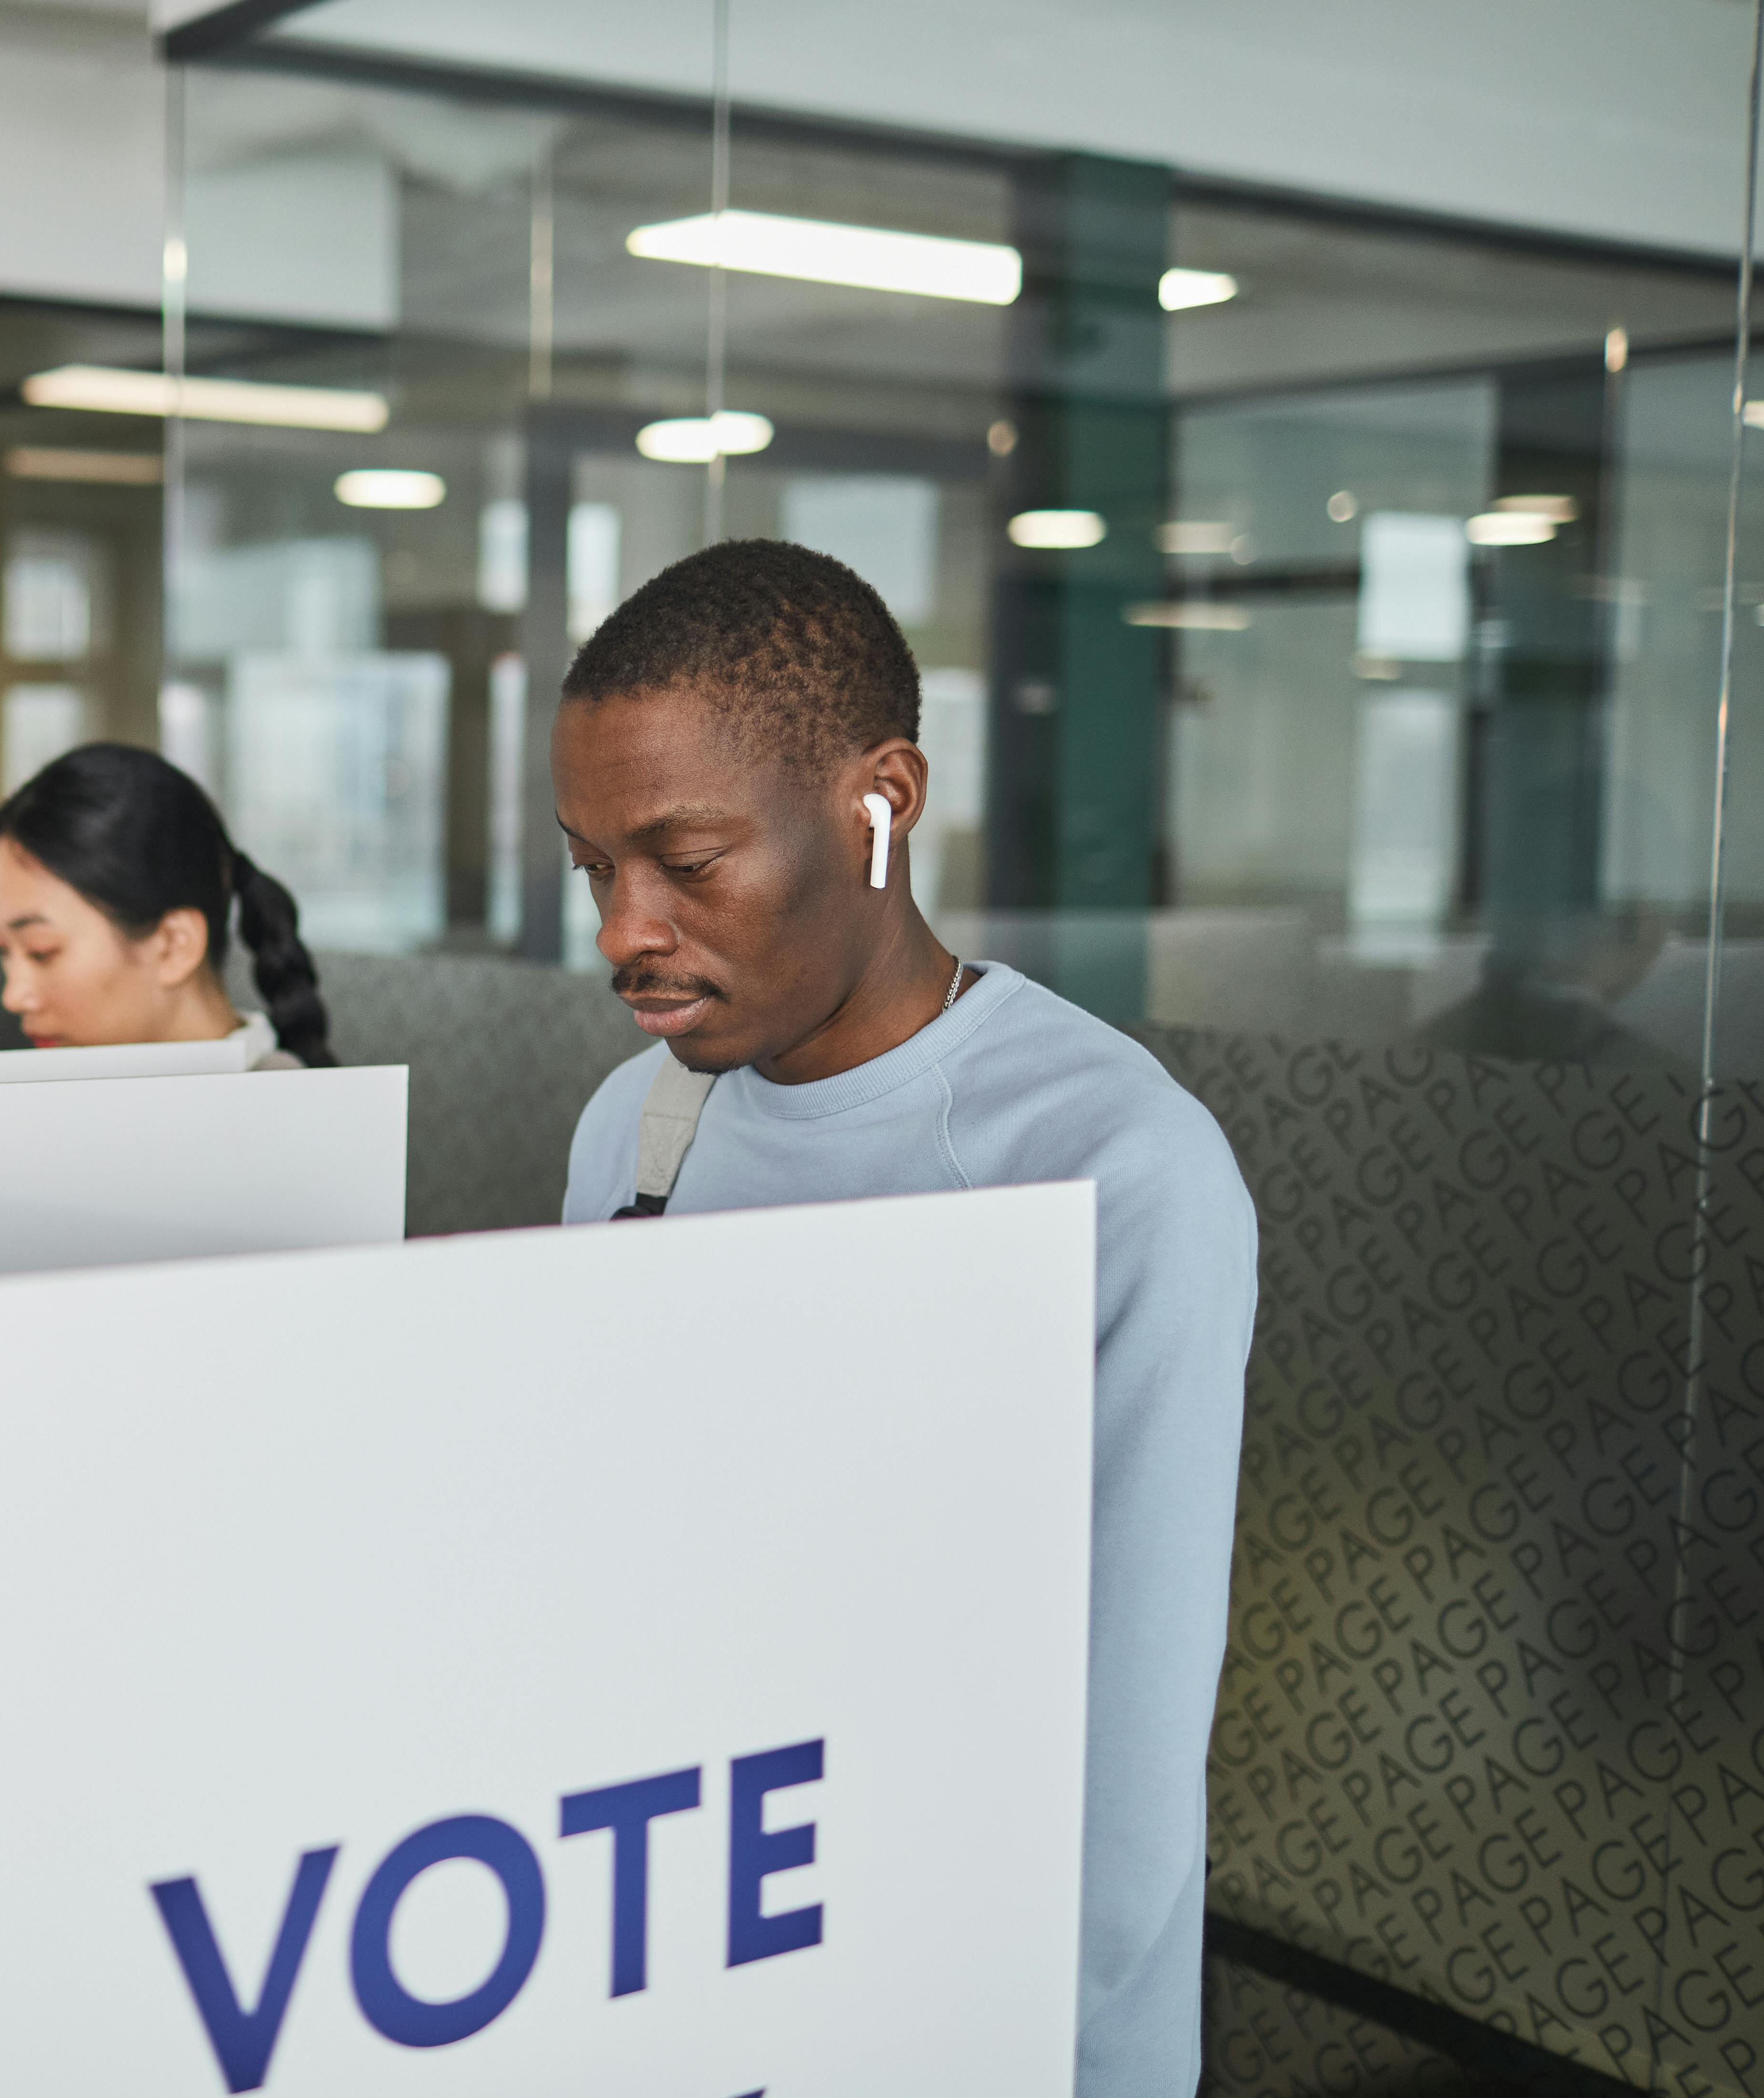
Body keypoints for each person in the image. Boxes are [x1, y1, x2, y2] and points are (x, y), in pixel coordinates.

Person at [552, 539, 1256, 2098]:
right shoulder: (636, 1126)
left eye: (685, 858)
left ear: (882, 801)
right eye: (595, 865)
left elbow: (1122, 1781)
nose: (623, 930)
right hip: (697, 1976)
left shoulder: (1114, 1166)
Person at [0, 742, 334, 1070]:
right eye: (1, 950)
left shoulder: (286, 1122)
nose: (13, 997)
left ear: (174, 946)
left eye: (42, 952)